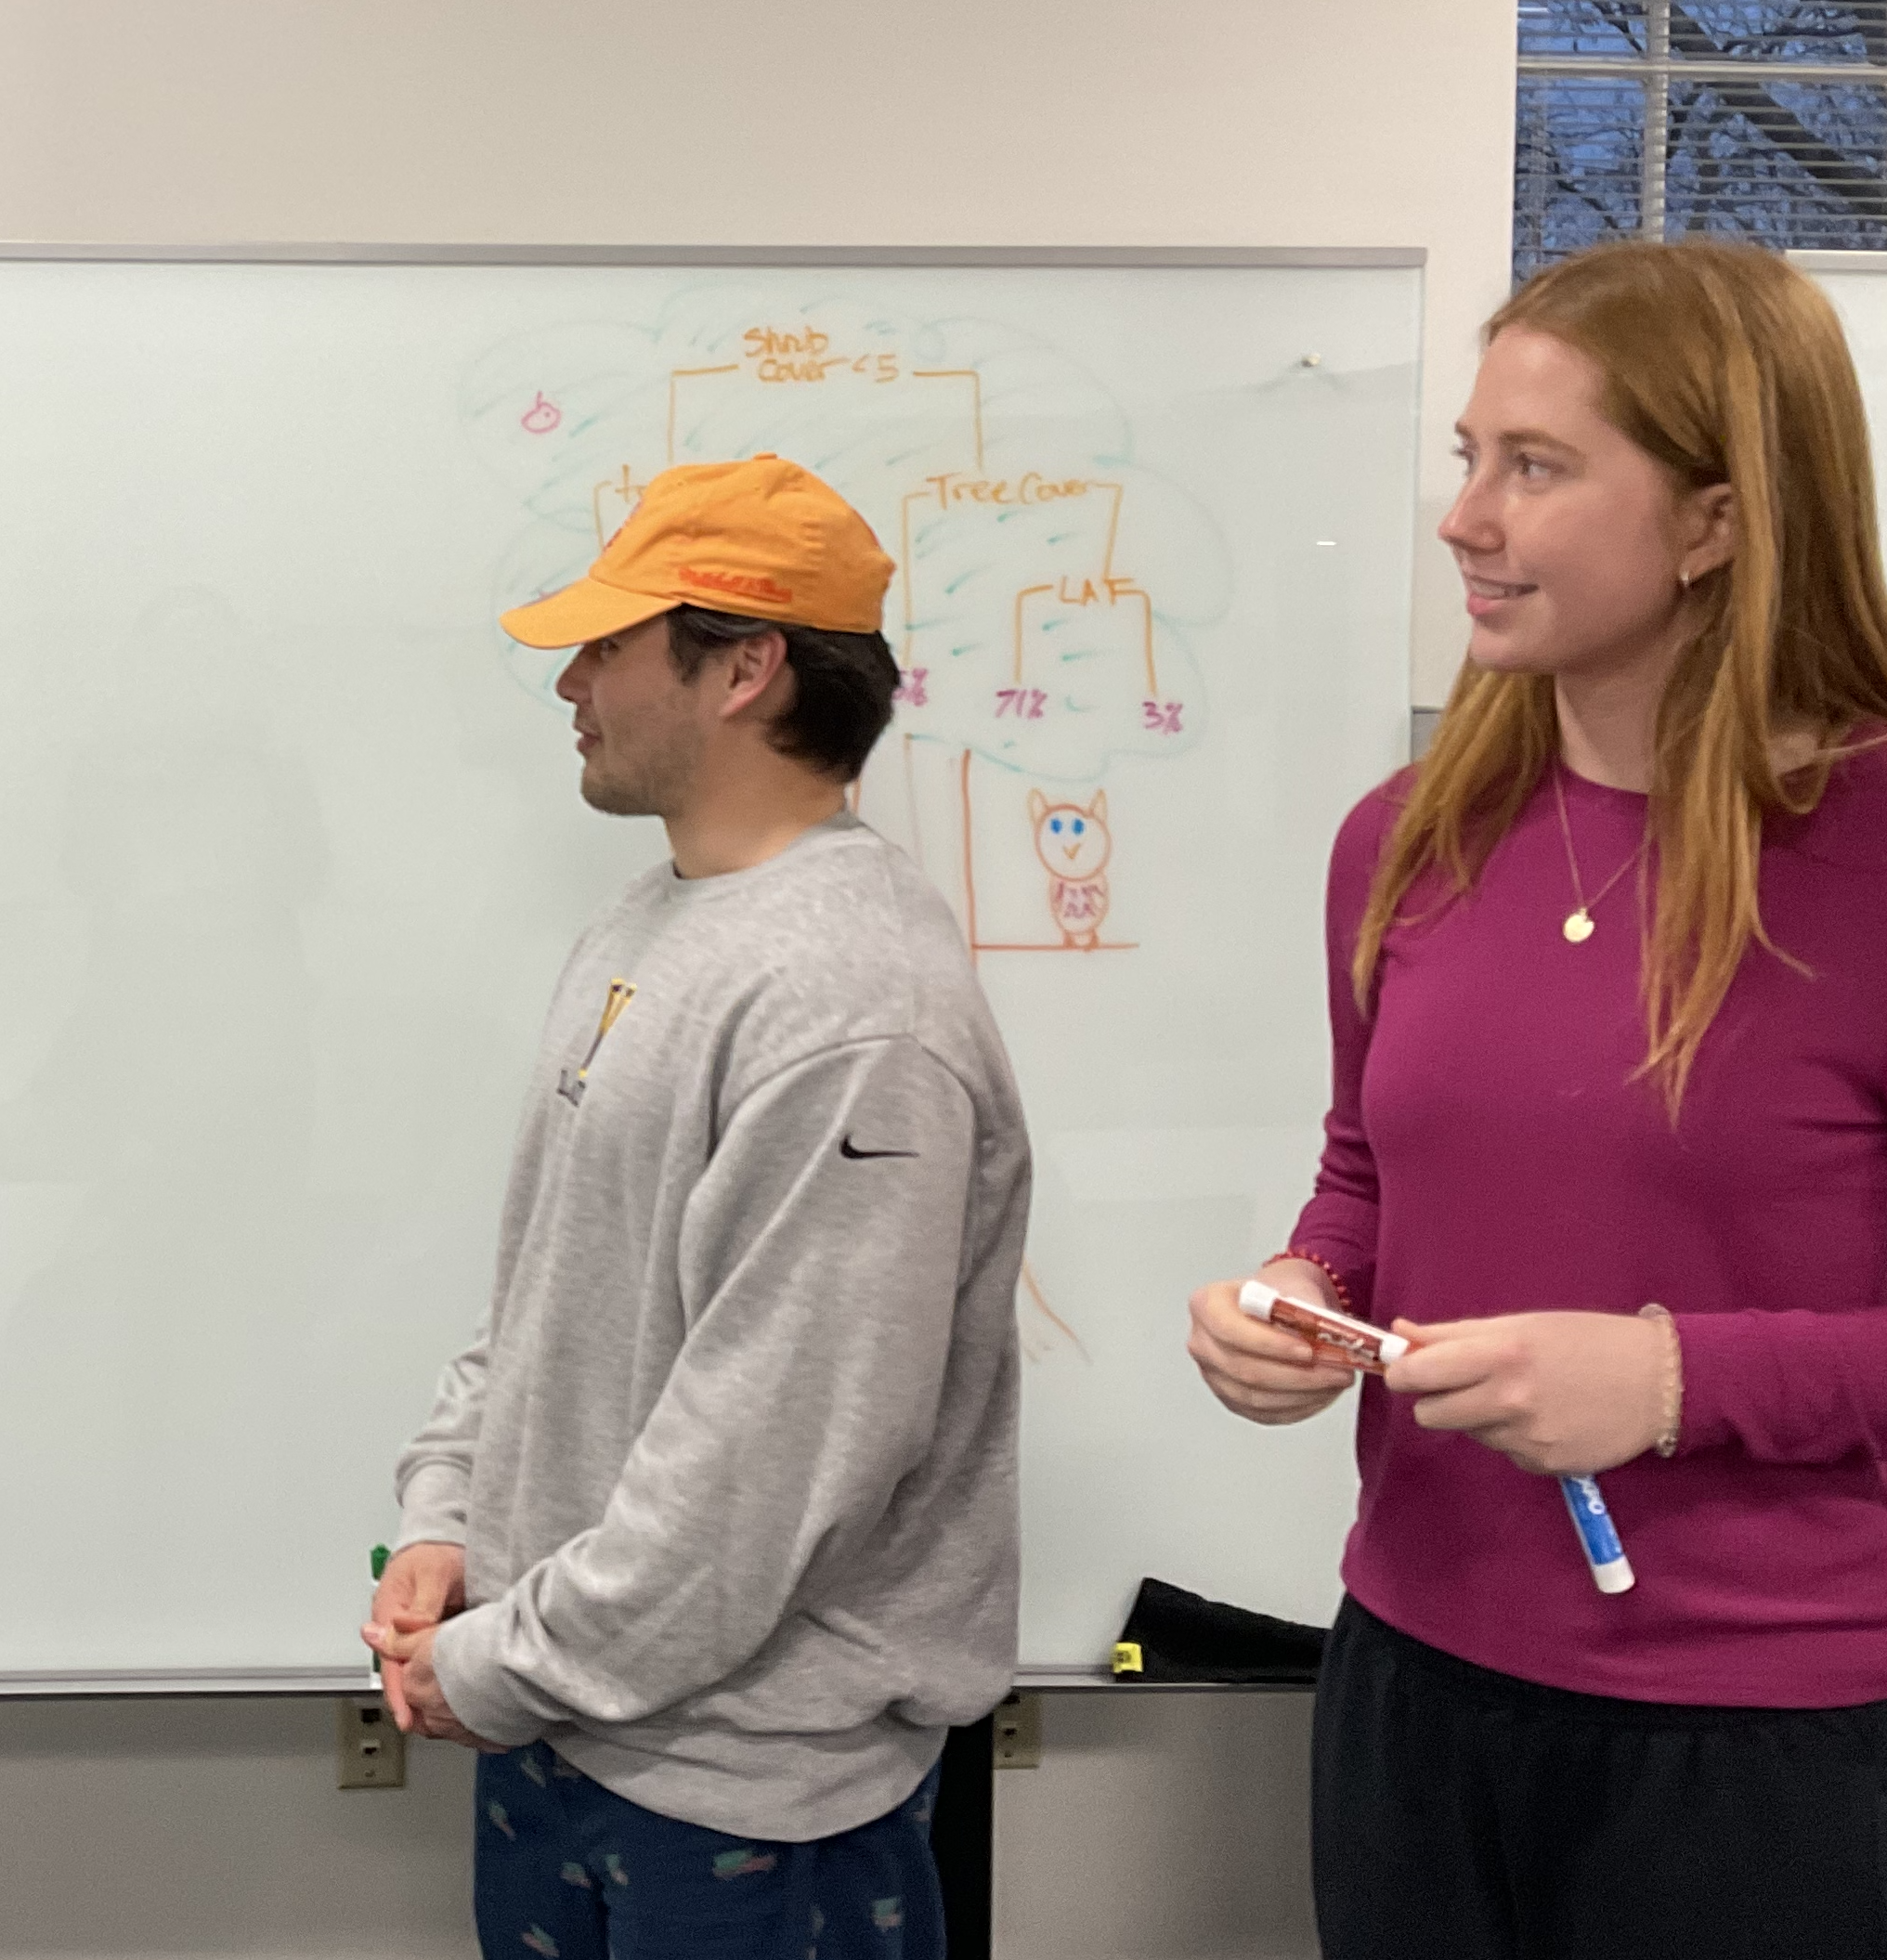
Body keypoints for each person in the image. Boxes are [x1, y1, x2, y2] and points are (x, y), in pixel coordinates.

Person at [1183, 238, 1887, 1958]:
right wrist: (1300, 1293)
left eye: (1536, 467)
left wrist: (1668, 1375)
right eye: (1465, 458)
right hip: (1411, 1685)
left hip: (1771, 1741)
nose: (1463, 519)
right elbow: (1364, 1170)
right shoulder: (1404, 838)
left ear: (1718, 520)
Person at [366, 458, 1032, 1960]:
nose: (569, 686)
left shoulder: (856, 1004)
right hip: (569, 1720)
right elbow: (545, 1286)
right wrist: (448, 1519)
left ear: (746, 665)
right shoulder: (649, 920)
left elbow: (765, 1471)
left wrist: (500, 1663)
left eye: (605, 645)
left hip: (744, 1792)